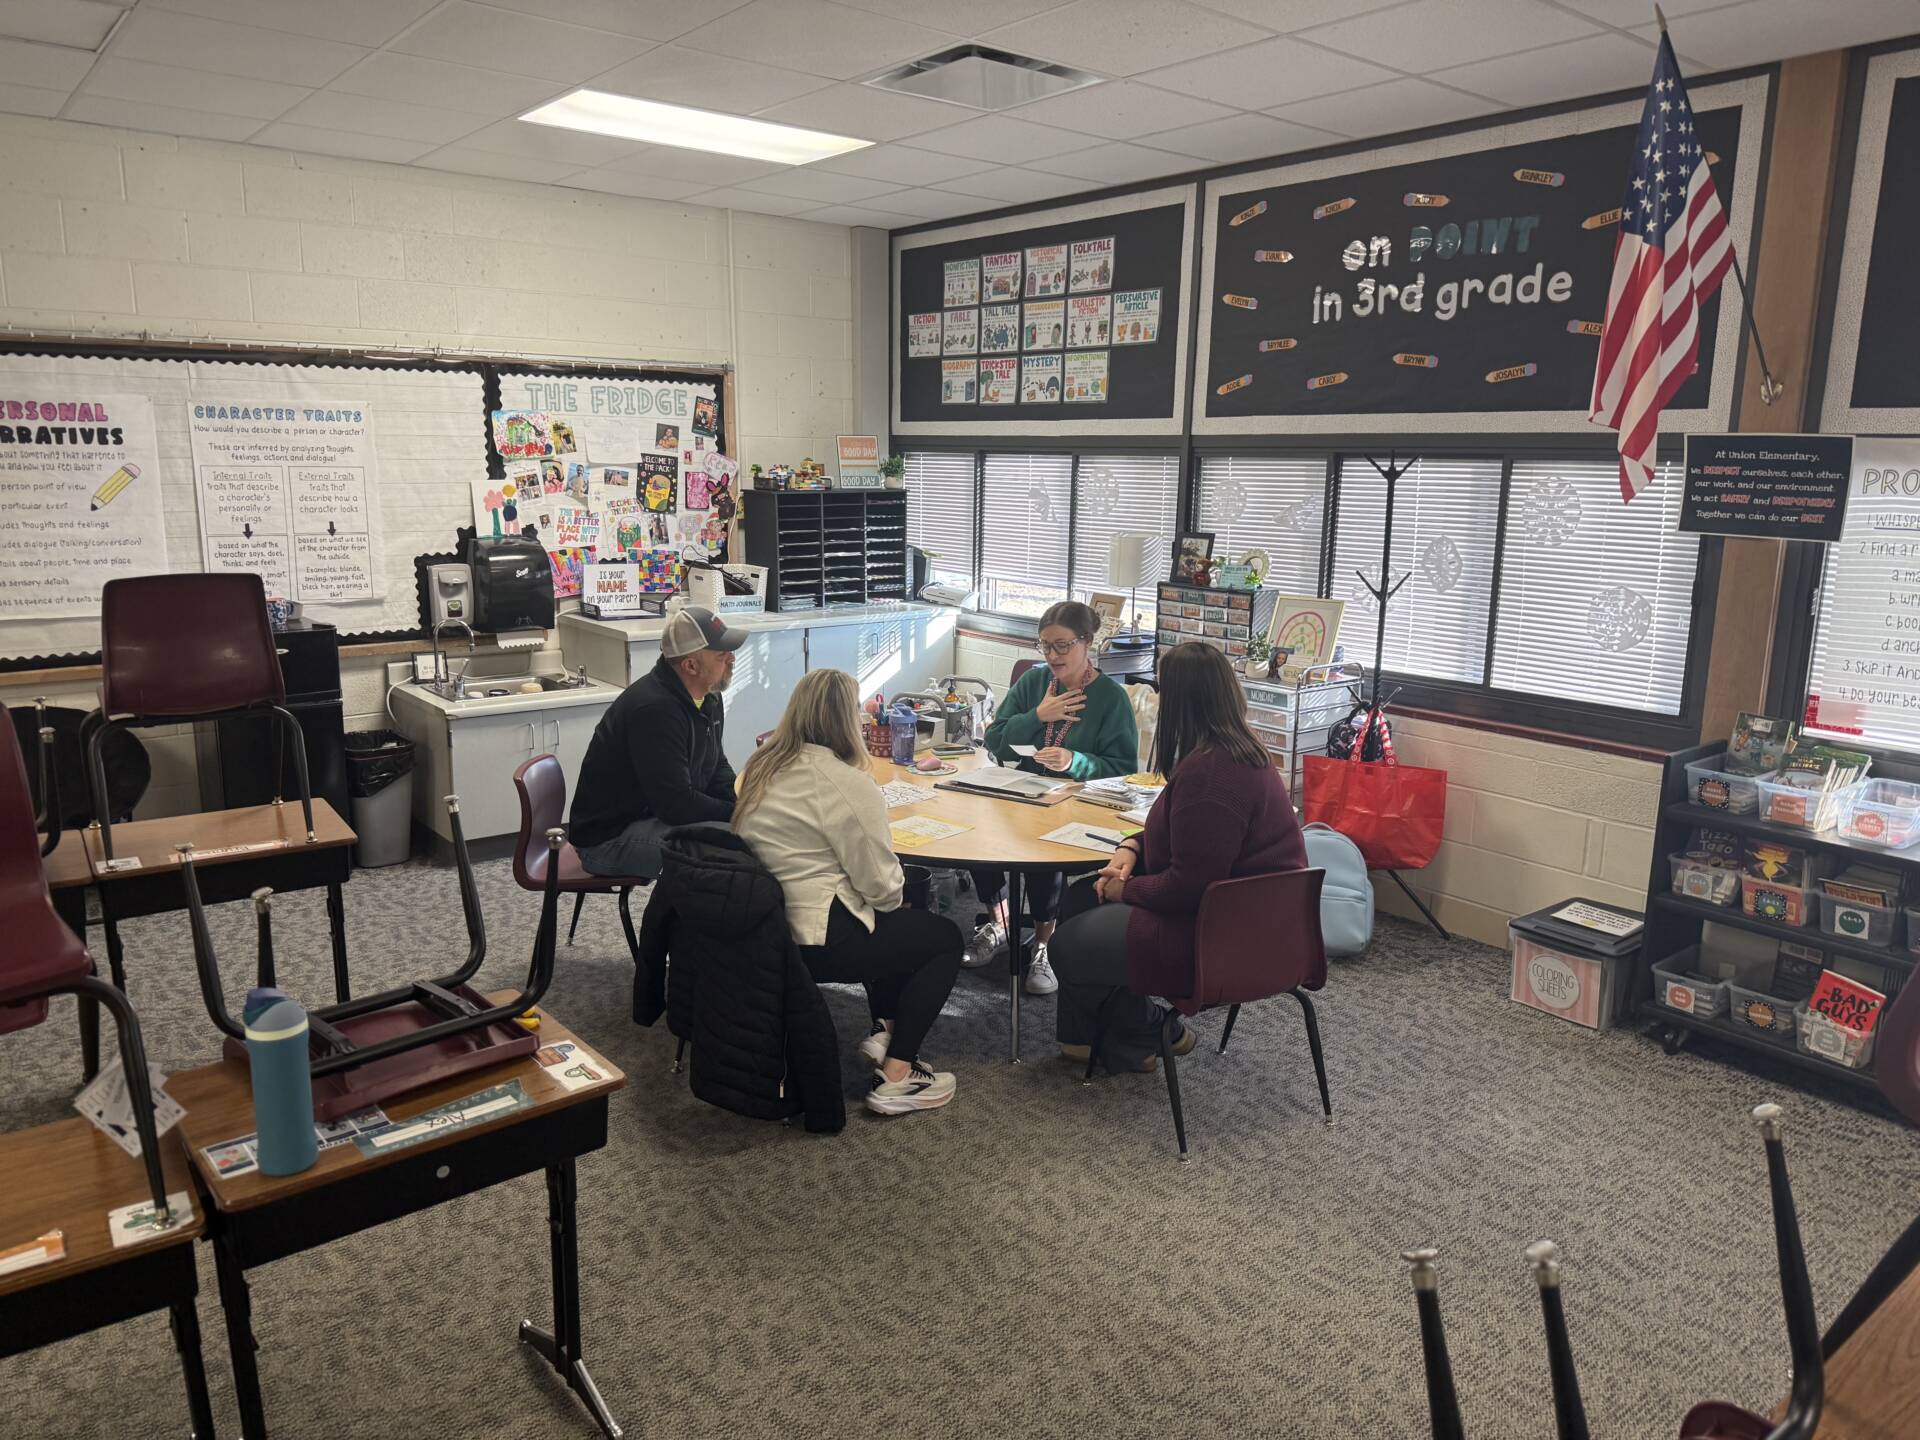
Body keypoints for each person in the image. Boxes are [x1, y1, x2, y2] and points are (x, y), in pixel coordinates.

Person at [1047, 642, 1307, 1072]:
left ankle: (1150, 1031)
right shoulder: (1233, 750)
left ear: (1182, 701)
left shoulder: (1212, 774)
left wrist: (1125, 889)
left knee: (1068, 943)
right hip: (1258, 920)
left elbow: (1188, 888)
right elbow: (1178, 830)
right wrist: (1132, 847)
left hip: (1220, 933)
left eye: (1164, 691)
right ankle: (1091, 1038)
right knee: (1079, 901)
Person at [735, 668, 963, 1117]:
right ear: (847, 721)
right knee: (940, 938)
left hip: (760, 931)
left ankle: (887, 1030)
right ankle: (899, 1073)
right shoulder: (847, 783)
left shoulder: (759, 767)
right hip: (817, 939)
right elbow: (884, 891)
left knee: (890, 925)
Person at [967, 599, 1139, 995]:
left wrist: (1075, 761)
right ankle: (1000, 921)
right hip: (1024, 795)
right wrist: (1038, 717)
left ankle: (1043, 944)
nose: (1052, 655)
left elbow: (1125, 770)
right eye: (1045, 645)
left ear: (1087, 642)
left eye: (1062, 645)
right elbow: (995, 740)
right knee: (976, 833)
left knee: (1043, 855)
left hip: (1078, 806)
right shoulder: (1033, 683)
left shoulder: (1111, 699)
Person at [569, 605, 743, 880]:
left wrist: (743, 802)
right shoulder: (655, 710)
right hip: (609, 840)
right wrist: (737, 815)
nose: (732, 658)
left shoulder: (708, 693)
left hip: (653, 818)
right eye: (722, 655)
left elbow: (715, 763)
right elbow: (676, 804)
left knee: (751, 834)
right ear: (691, 665)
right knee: (740, 848)